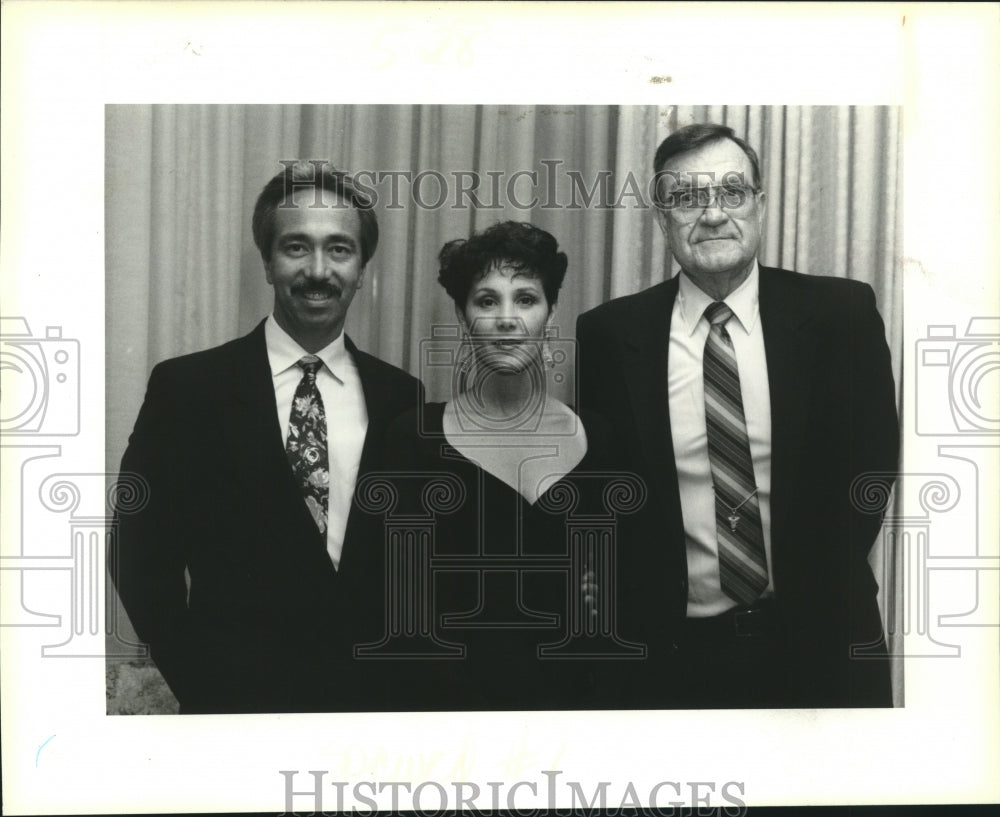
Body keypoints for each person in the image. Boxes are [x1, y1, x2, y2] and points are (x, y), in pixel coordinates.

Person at [576, 123, 900, 708]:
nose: (713, 214)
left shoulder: (840, 314)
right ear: (661, 216)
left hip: (824, 646)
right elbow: (607, 491)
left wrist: (824, 581)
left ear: (760, 203)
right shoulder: (609, 334)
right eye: (687, 197)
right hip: (673, 659)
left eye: (731, 191)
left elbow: (873, 466)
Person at [110, 162, 424, 713]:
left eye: (340, 250)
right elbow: (138, 555)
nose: (319, 270)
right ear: (266, 261)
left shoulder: (402, 396)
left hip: (373, 712)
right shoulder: (188, 388)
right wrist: (201, 681)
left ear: (363, 269)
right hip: (234, 709)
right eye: (297, 247)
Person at [381, 221, 640, 710]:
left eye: (525, 299)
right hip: (447, 726)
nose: (507, 319)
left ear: (550, 312)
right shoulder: (413, 440)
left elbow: (620, 600)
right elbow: (398, 614)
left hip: (575, 721)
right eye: (486, 301)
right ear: (462, 316)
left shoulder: (601, 440)